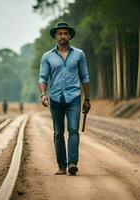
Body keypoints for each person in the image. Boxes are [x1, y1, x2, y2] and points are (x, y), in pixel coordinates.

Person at [38, 22, 91, 175]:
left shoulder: (79, 54)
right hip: (55, 98)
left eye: (65, 33)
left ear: (70, 36)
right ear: (55, 36)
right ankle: (62, 166)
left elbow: (85, 76)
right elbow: (43, 77)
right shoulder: (47, 56)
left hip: (74, 97)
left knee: (73, 130)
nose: (63, 36)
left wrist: (87, 98)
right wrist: (43, 95)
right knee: (58, 132)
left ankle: (72, 163)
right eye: (60, 33)